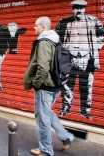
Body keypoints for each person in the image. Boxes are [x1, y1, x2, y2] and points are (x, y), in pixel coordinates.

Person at [24, 16, 74, 156]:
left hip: (46, 86)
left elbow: (43, 66)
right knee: (46, 113)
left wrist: (36, 83)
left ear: (43, 27)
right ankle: (66, 137)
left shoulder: (44, 42)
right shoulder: (55, 39)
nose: (34, 28)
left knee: (42, 118)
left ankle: (46, 150)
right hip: (55, 85)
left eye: (36, 25)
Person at [55, 0, 104, 119]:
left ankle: (86, 111)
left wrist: (96, 47)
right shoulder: (64, 22)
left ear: (85, 9)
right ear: (72, 9)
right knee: (67, 85)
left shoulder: (93, 21)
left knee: (86, 86)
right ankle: (65, 109)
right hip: (69, 58)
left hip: (87, 58)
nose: (79, 10)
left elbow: (103, 33)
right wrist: (63, 48)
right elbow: (55, 35)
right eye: (76, 8)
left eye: (81, 8)